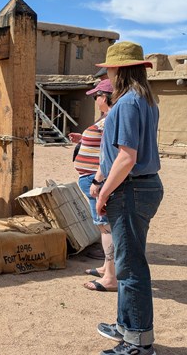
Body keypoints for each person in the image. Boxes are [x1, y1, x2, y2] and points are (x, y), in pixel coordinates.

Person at [91, 41, 164, 355]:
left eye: (109, 67)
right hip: (142, 186)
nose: (107, 71)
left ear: (118, 69)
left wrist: (103, 191)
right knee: (127, 262)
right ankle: (125, 326)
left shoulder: (125, 103)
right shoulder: (147, 101)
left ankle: (137, 341)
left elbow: (126, 157)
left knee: (131, 267)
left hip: (130, 189)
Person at [68, 79, 117, 293]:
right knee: (103, 225)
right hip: (91, 178)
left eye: (96, 96)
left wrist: (97, 181)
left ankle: (111, 277)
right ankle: (107, 268)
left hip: (96, 179)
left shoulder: (110, 120)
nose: (95, 100)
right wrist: (84, 140)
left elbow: (109, 153)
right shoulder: (107, 119)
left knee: (105, 226)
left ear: (104, 97)